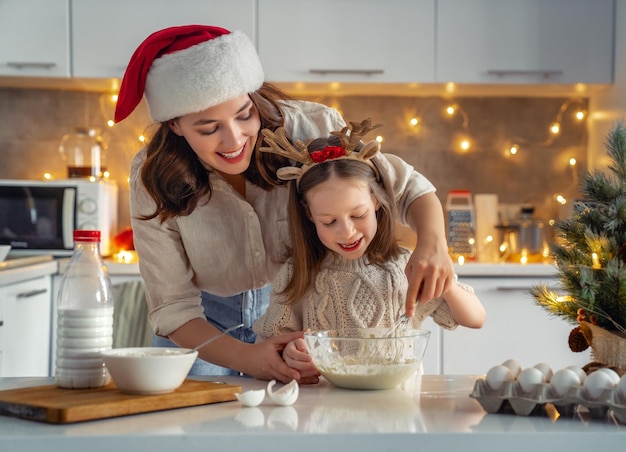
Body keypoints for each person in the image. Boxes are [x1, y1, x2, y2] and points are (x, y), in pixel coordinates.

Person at [114, 24, 456, 383]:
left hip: (295, 314)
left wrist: (433, 244)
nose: (234, 139)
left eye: (244, 114)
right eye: (208, 127)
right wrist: (250, 358)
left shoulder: (311, 127)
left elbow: (408, 189)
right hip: (202, 330)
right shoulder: (151, 175)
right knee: (192, 437)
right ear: (176, 125)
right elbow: (173, 308)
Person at [252, 120, 486, 383]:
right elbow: (272, 344)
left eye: (358, 214)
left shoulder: (404, 266)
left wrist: (446, 284)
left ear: (376, 200)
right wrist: (292, 354)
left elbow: (475, 318)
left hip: (399, 409)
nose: (347, 232)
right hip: (326, 408)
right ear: (309, 215)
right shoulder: (298, 273)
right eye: (329, 222)